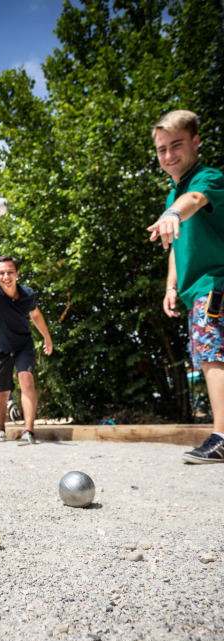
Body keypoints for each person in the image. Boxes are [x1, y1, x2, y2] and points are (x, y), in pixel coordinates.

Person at [147, 109, 224, 463]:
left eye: (176, 145)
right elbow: (176, 249)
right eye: (162, 149)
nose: (168, 155)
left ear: (196, 141)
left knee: (212, 359)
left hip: (216, 283)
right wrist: (171, 287)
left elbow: (192, 203)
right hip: (197, 291)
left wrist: (174, 213)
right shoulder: (171, 196)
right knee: (209, 358)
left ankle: (221, 437)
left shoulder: (206, 178)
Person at [0, 227, 53, 444]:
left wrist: (47, 338)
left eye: (10, 272)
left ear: (17, 274)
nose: (5, 276)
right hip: (1, 349)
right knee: (2, 393)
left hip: (23, 345)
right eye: (1, 272)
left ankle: (28, 431)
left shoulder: (27, 293)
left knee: (26, 379)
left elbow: (36, 315)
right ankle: (1, 428)